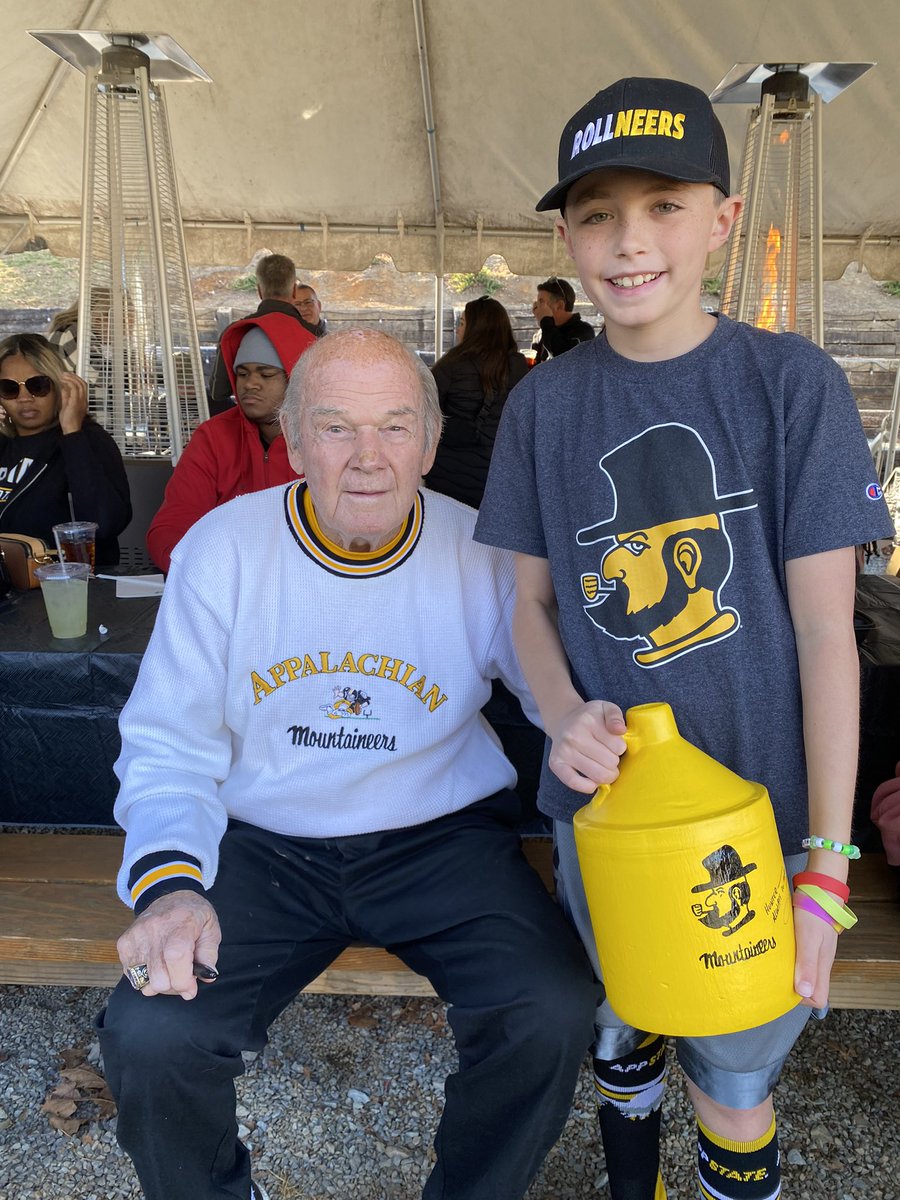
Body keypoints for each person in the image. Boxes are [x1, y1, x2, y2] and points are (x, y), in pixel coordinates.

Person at [475, 75, 895, 1200]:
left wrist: (826, 866)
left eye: (664, 205)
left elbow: (825, 633)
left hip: (760, 822)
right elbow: (527, 605)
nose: (629, 242)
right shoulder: (544, 406)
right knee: (623, 1022)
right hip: (609, 820)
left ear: (724, 216)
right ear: (566, 233)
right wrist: (561, 713)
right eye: (599, 212)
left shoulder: (788, 384)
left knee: (736, 1077)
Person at [97, 327, 597, 1200]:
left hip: (437, 841)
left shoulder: (483, 548)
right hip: (264, 843)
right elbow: (168, 740)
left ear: (433, 445)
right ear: (292, 443)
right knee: (149, 1033)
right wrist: (171, 887)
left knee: (548, 1010)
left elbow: (556, 692)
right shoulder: (224, 548)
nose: (368, 458)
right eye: (336, 428)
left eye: (395, 427)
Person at [146, 311, 315, 574]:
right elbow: (170, 530)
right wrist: (217, 577)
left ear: (295, 380)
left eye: (266, 374)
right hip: (224, 587)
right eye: (243, 373)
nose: (250, 384)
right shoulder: (213, 437)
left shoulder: (325, 439)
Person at [0, 332, 131, 565]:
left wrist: (72, 431)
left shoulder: (87, 439)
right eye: (9, 388)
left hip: (66, 587)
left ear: (59, 386)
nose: (24, 398)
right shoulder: (4, 442)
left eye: (37, 386)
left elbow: (105, 523)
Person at [425, 294, 529, 508]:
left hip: (448, 476)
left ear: (476, 328)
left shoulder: (452, 364)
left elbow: (426, 408)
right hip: (497, 478)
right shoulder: (519, 367)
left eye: (462, 323)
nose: (458, 329)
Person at [208, 253, 312, 413]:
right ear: (294, 291)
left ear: (259, 290)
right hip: (300, 431)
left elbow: (219, 392)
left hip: (250, 433)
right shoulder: (315, 337)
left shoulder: (235, 333)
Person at [531, 276, 595, 363]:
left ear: (560, 305)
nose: (536, 307)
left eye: (541, 302)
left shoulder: (583, 332)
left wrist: (546, 321)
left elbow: (564, 360)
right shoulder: (541, 333)